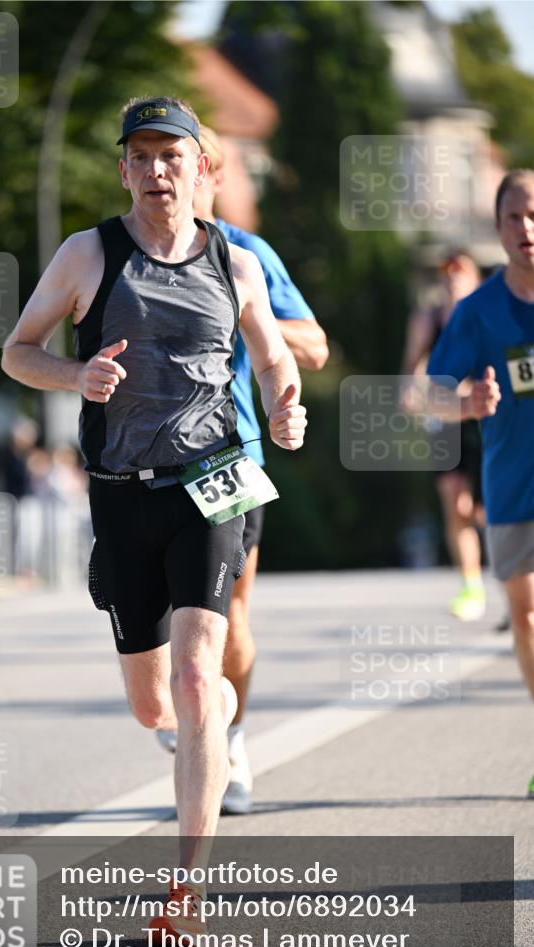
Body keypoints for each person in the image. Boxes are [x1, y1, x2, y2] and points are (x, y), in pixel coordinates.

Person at [1, 96, 307, 939]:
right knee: (152, 706)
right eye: (140, 156)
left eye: (172, 155)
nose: (156, 170)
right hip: (119, 492)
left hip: (212, 482)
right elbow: (17, 351)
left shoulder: (233, 261)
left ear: (200, 167)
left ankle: (186, 890)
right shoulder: (87, 253)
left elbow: (274, 358)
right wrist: (75, 377)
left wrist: (285, 408)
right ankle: (207, 724)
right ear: (124, 170)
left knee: (196, 675)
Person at [155, 125, 328, 815]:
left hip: (230, 455)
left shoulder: (246, 254)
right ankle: (190, 706)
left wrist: (241, 313)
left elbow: (314, 345)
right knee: (159, 613)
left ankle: (230, 740)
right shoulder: (127, 249)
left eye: (197, 169)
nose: (181, 180)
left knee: (227, 611)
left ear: (215, 177)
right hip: (145, 461)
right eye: (169, 164)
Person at [427, 169, 534, 796]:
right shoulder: (477, 311)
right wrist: (467, 405)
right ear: (498, 227)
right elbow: (432, 394)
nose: (527, 227)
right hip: (513, 486)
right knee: (527, 616)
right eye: (515, 216)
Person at [402, 250, 485, 620]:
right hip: (445, 420)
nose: (452, 277)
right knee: (454, 502)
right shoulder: (428, 317)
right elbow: (412, 365)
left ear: (475, 279)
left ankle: (514, 579)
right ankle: (471, 587)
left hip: (486, 421)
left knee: (482, 510)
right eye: (447, 272)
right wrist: (409, 391)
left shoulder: (487, 315)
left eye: (460, 271)